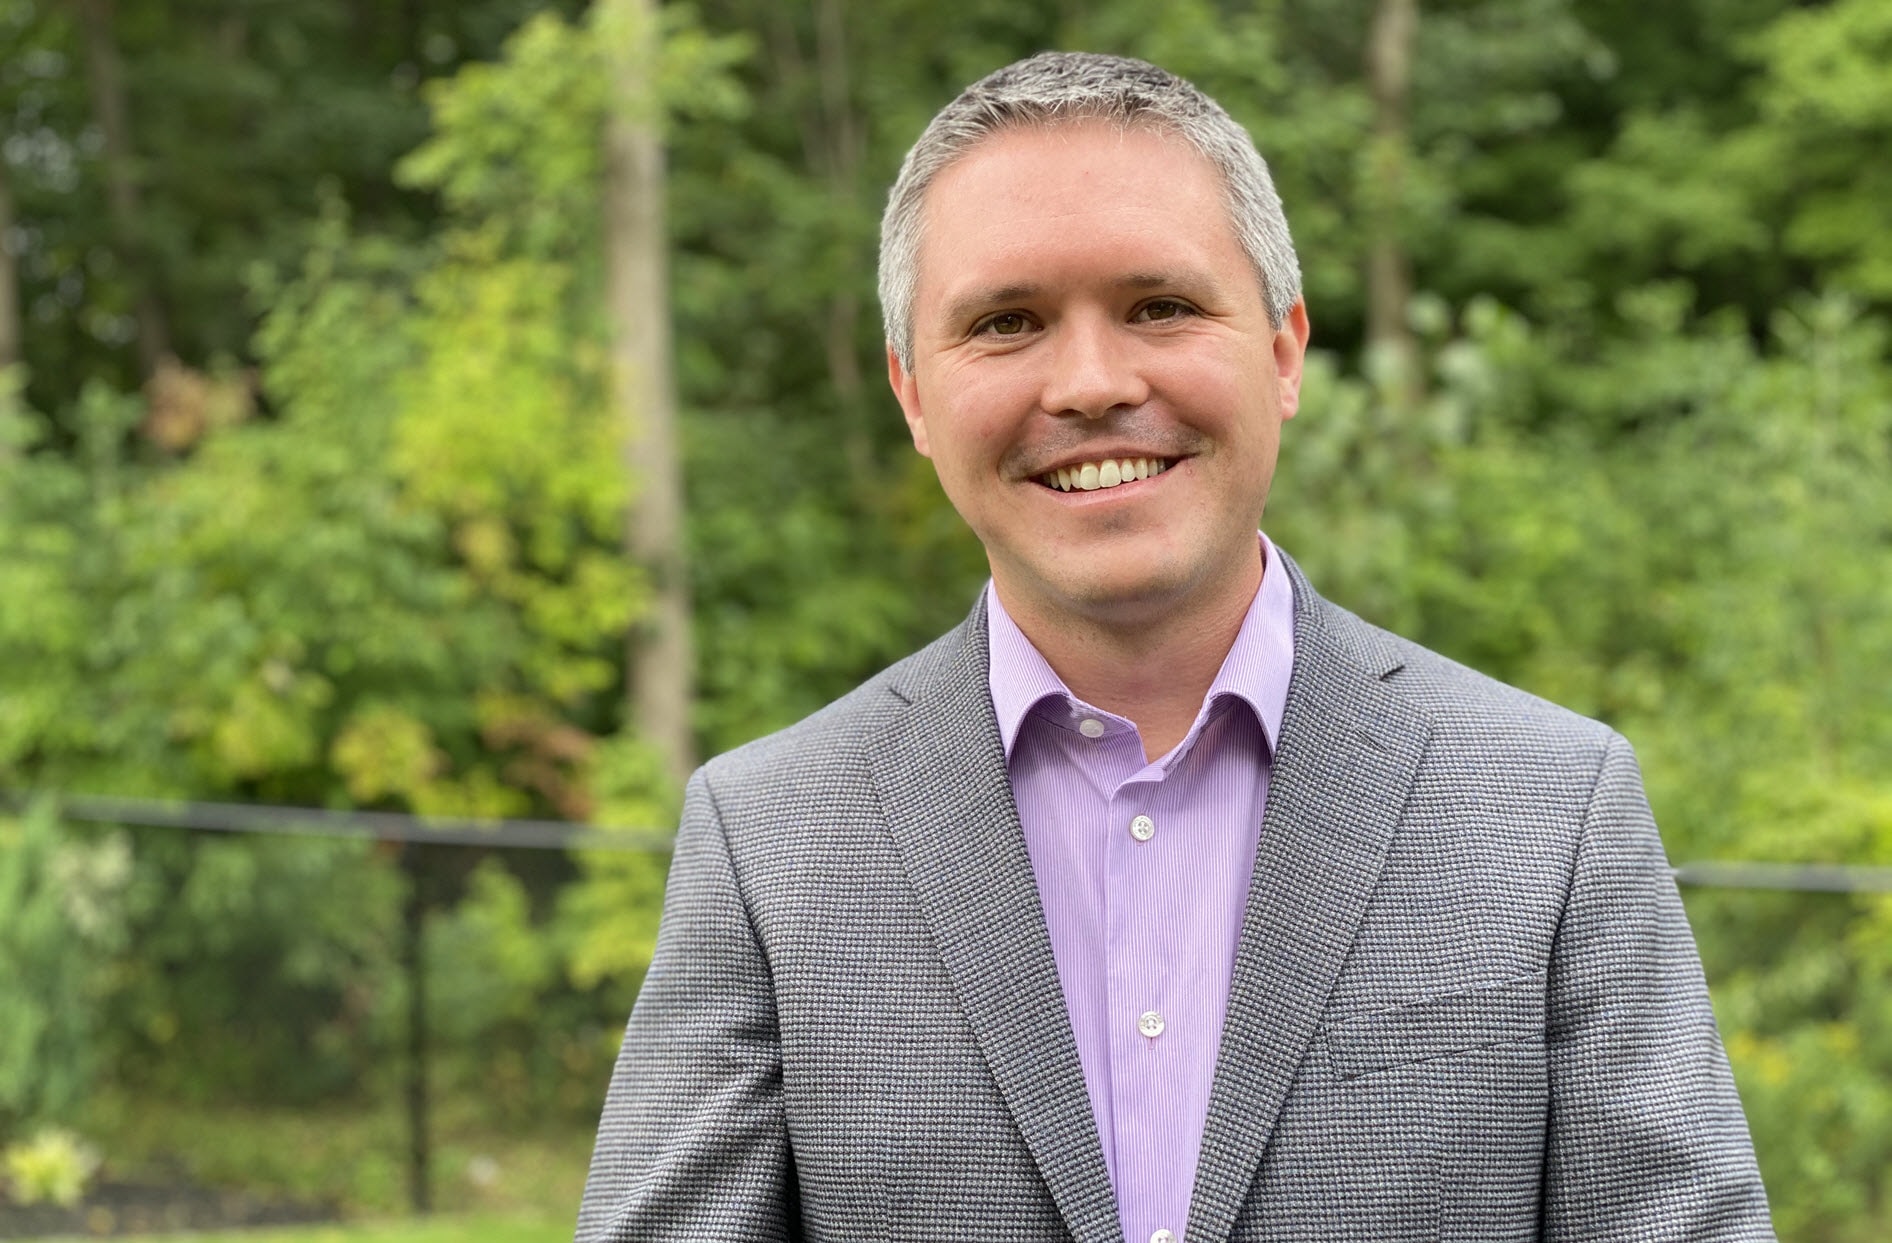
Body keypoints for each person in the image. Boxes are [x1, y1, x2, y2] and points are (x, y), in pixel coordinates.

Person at [576, 51, 1774, 1243]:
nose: (1091, 383)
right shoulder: (769, 839)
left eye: (1159, 306)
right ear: (910, 396)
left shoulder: (1547, 808)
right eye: (1006, 322)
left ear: (1283, 349)